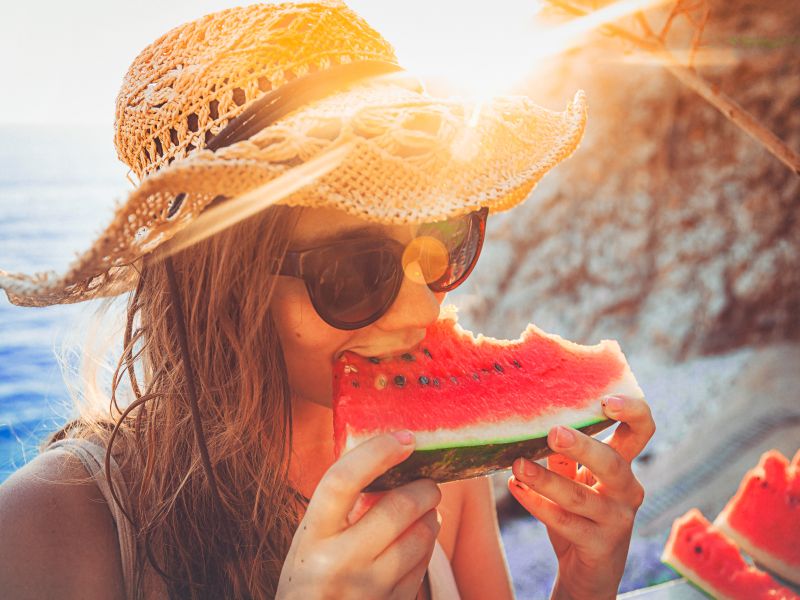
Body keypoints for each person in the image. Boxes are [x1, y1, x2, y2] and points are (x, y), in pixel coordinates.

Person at [0, 2, 655, 599]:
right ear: (225, 288)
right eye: (352, 272)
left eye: (442, 243)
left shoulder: (445, 477)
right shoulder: (47, 531)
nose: (422, 311)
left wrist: (584, 581)